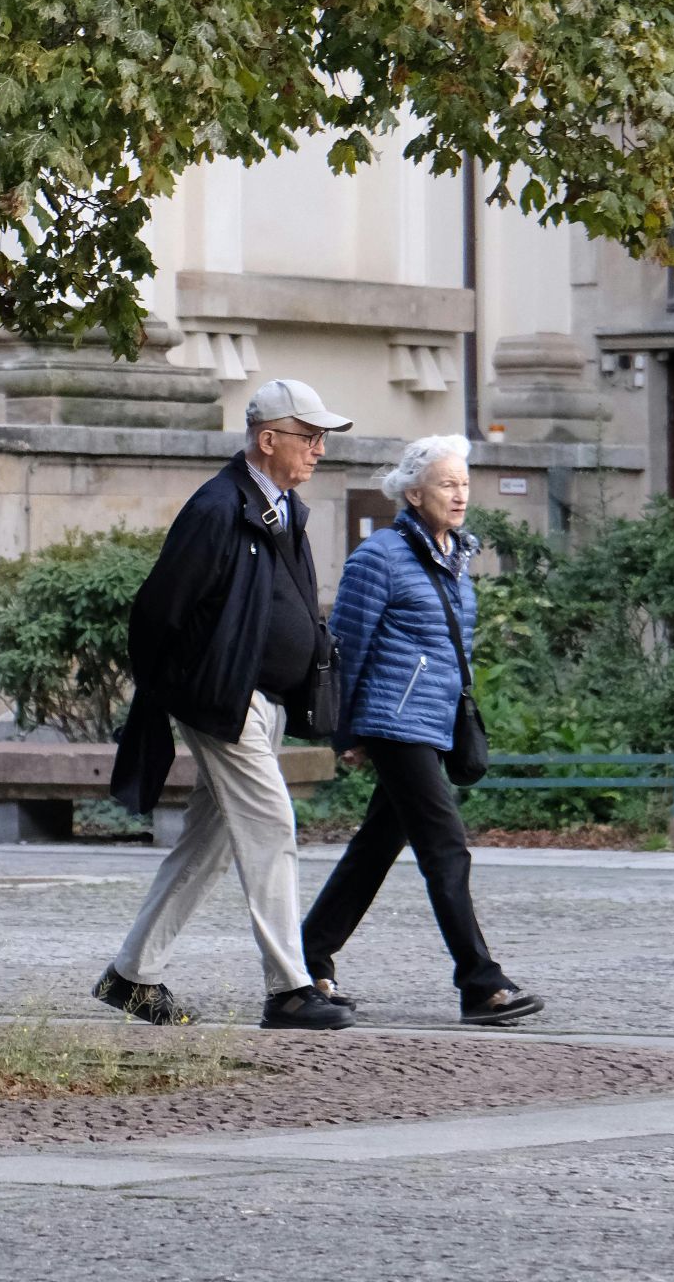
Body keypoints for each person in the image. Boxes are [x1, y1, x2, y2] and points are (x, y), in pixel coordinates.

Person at [95, 378, 355, 1032]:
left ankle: (132, 974)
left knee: (208, 845)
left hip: (257, 703)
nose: (320, 448)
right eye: (309, 436)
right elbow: (156, 614)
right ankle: (290, 987)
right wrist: (200, 690)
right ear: (268, 440)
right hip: (224, 703)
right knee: (272, 828)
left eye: (323, 437)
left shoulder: (282, 508)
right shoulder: (217, 508)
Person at [301, 434, 544, 1025]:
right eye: (446, 484)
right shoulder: (379, 556)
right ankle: (479, 982)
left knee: (377, 845)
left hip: (433, 721)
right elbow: (348, 646)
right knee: (445, 847)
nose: (460, 494)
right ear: (413, 493)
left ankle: (305, 957)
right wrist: (346, 729)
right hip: (392, 719)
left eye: (464, 483)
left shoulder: (456, 555)